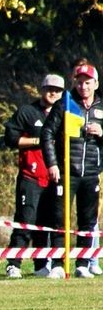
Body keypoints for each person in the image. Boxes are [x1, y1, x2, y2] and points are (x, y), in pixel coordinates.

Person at [40, 62, 103, 279]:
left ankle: (83, 263)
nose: (83, 86)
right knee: (59, 217)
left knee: (88, 219)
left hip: (92, 172)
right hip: (66, 171)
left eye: (87, 82)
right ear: (74, 82)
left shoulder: (101, 106)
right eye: (79, 82)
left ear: (95, 83)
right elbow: (47, 134)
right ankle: (58, 262)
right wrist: (53, 164)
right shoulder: (65, 104)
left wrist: (101, 132)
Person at [3, 74, 63, 278]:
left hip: (56, 177)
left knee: (51, 222)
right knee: (26, 220)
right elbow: (10, 137)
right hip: (31, 175)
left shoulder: (66, 113)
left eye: (57, 90)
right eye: (49, 88)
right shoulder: (27, 112)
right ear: (41, 89)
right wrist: (39, 140)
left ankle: (42, 265)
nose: (53, 93)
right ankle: (14, 264)